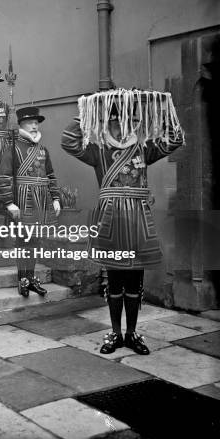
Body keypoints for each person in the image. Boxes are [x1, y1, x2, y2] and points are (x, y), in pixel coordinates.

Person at [61, 90, 184, 355]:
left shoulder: (143, 148)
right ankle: (115, 333)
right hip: (112, 219)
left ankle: (132, 333)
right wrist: (88, 108)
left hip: (138, 219)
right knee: (115, 280)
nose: (121, 127)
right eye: (115, 122)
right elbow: (68, 141)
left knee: (135, 281)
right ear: (108, 125)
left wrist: (163, 108)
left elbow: (175, 139)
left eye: (126, 122)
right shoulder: (98, 151)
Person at [0, 106, 61, 297]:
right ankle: (22, 279)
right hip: (23, 201)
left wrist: (56, 198)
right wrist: (9, 202)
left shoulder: (43, 150)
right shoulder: (12, 148)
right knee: (23, 241)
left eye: (36, 123)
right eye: (30, 123)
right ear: (21, 124)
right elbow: (2, 177)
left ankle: (31, 278)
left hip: (41, 200)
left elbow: (50, 175)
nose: (34, 126)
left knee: (34, 241)